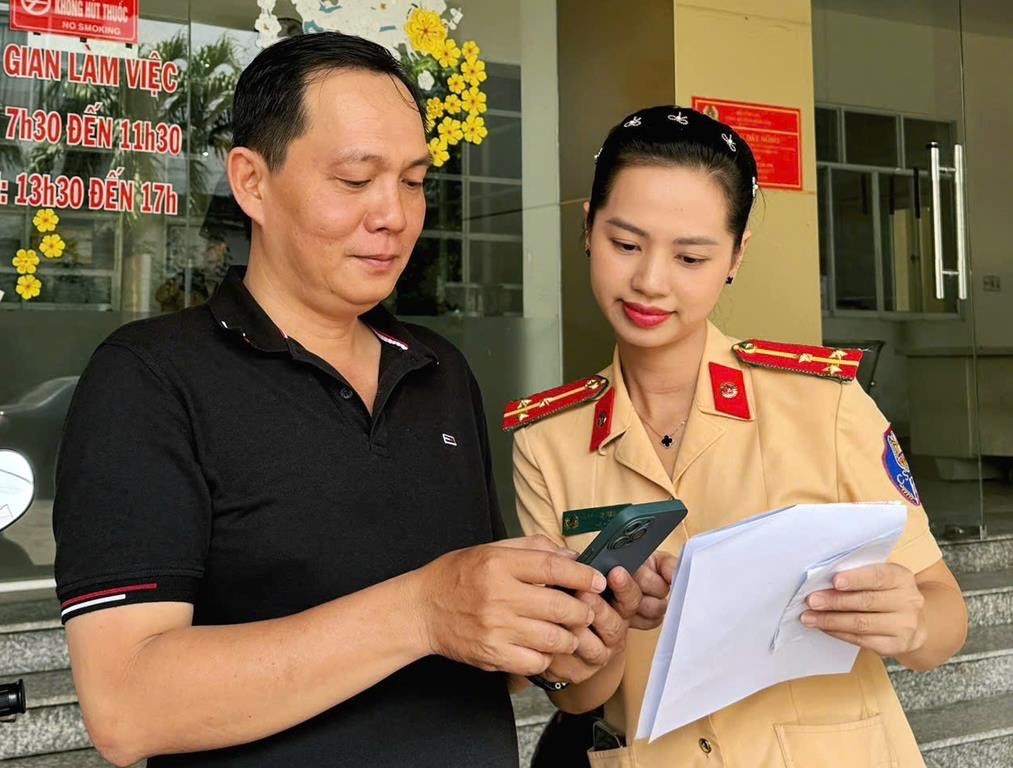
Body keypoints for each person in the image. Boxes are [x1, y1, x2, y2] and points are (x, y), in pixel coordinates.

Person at [52, 33, 664, 768]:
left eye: (412, 180)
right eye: (354, 179)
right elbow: (127, 708)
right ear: (251, 182)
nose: (395, 216)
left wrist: (581, 636)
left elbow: (515, 675)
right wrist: (421, 611)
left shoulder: (438, 372)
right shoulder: (150, 378)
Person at [505, 105, 968, 768]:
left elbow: (942, 617)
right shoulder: (547, 440)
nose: (650, 281)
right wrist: (599, 638)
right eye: (625, 244)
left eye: (690, 255)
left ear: (735, 254)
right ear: (587, 227)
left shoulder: (823, 402)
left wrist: (911, 621)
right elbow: (579, 699)